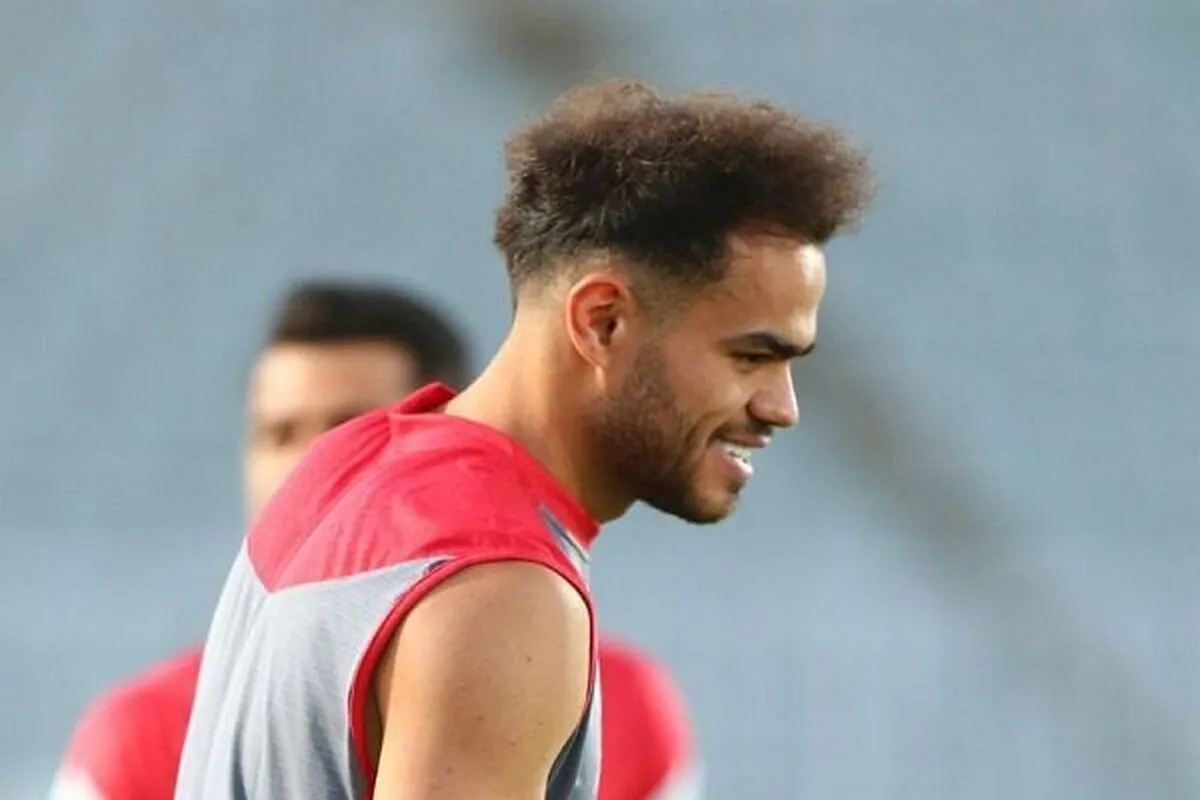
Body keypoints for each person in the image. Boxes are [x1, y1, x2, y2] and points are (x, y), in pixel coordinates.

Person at [176, 78, 875, 800]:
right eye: (751, 357)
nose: (782, 407)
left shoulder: (343, 467)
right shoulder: (504, 591)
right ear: (602, 322)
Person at [50, 281, 701, 800]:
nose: (309, 462)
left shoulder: (628, 708)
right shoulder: (138, 735)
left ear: (442, 440)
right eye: (278, 434)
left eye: (349, 427)